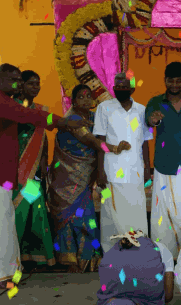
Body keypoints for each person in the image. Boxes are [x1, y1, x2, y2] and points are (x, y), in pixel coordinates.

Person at [0, 64, 90, 288]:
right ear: (0, 80)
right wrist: (64, 121)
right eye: (14, 80)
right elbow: (31, 115)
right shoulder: (0, 102)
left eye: (20, 80)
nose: (19, 84)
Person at [48, 84, 131, 273]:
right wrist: (115, 148)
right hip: (66, 179)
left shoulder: (94, 118)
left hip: (84, 180)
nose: (86, 100)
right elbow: (93, 142)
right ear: (73, 101)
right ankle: (69, 260)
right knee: (70, 218)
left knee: (86, 216)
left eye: (88, 96)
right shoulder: (72, 119)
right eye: (81, 97)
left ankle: (88, 258)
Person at [145, 62, 181, 260]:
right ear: (165, 80)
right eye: (171, 80)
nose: (175, 84)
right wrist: (153, 120)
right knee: (163, 214)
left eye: (179, 80)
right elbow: (149, 121)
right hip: (164, 165)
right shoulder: (155, 102)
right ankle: (165, 257)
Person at [94, 72, 155, 253]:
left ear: (132, 89)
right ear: (113, 88)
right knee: (110, 214)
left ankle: (138, 252)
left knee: (136, 212)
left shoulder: (142, 110)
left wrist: (147, 169)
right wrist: (100, 171)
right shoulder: (104, 108)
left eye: (124, 86)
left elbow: (145, 142)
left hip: (135, 171)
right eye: (117, 86)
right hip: (111, 171)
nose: (120, 89)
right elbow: (100, 141)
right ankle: (111, 253)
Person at [11, 70, 56, 270]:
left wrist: (44, 161)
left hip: (34, 171)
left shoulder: (39, 110)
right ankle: (12, 257)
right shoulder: (12, 108)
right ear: (21, 85)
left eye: (37, 84)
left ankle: (34, 256)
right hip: (14, 171)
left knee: (35, 210)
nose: (35, 87)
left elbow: (43, 138)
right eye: (31, 83)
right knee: (18, 212)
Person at [97, 229, 174, 305]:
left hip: (114, 300)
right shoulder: (161, 248)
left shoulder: (112, 250)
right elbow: (168, 296)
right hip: (148, 299)